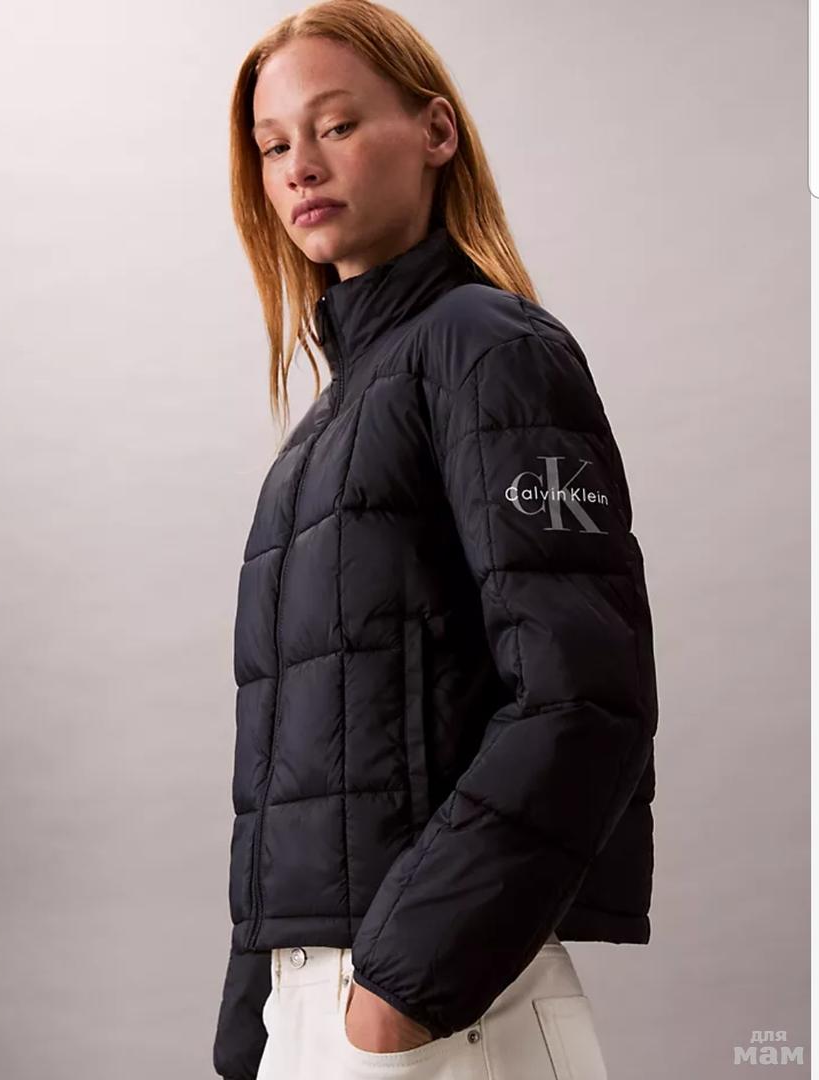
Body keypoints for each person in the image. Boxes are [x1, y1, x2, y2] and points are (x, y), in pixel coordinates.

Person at [212, 2, 659, 1077]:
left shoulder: (489, 349)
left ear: (435, 131)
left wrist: (401, 990)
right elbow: (294, 763)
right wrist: (253, 1019)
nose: (299, 166)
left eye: (335, 125)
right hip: (317, 1008)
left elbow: (583, 694)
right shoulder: (328, 425)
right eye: (272, 145)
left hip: (448, 1012)